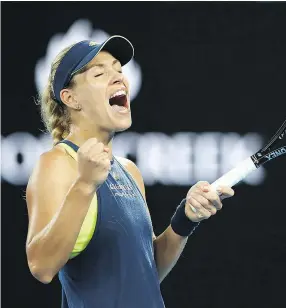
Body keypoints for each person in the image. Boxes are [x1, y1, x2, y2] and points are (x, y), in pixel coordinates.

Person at [25, 35, 234, 308]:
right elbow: (41, 265)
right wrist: (85, 185)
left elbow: (146, 273)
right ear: (71, 98)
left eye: (119, 70)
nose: (118, 78)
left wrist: (184, 219)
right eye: (100, 73)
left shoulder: (129, 171)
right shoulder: (57, 164)